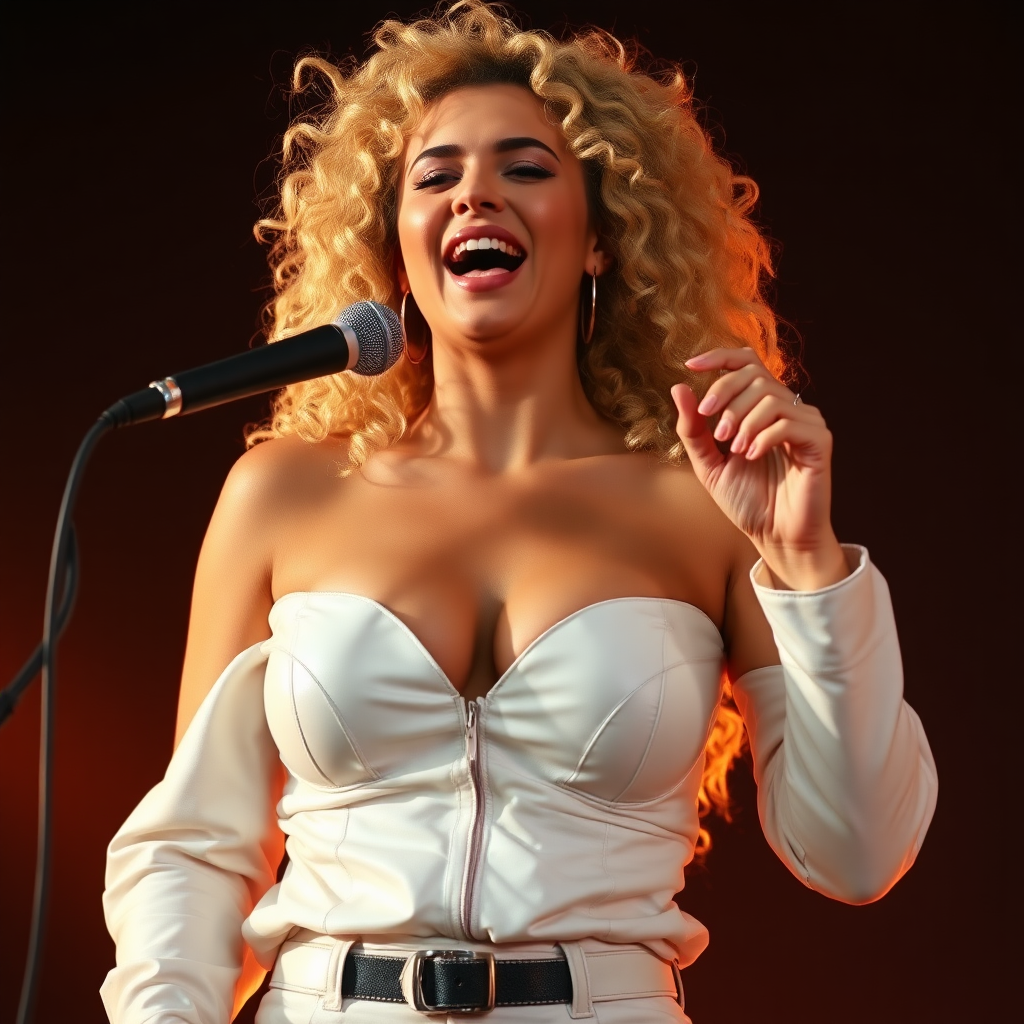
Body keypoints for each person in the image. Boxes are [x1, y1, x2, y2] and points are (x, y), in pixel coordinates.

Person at [100, 4, 937, 1022]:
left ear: (600, 237)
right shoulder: (282, 493)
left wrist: (809, 566)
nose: (475, 194)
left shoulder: (706, 504)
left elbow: (854, 852)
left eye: (526, 168)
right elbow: (196, 846)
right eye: (435, 174)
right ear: (393, 245)